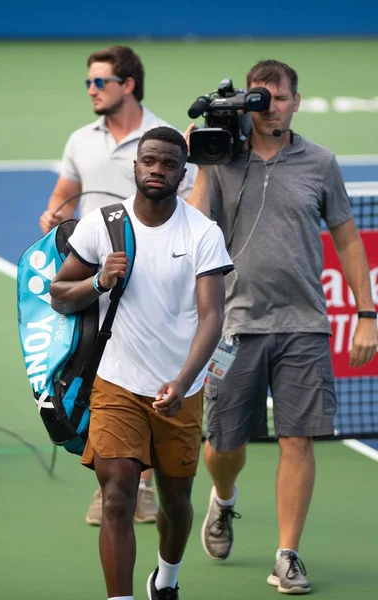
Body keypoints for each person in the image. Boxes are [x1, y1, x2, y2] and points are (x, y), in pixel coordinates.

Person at [187, 59, 378, 594]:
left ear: (296, 102)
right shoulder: (221, 159)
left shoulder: (320, 163)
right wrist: (204, 159)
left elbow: (346, 240)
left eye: (277, 97)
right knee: (222, 443)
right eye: (258, 97)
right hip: (231, 328)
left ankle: (287, 554)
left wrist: (367, 314)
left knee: (299, 439)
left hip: (303, 327)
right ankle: (223, 501)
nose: (268, 106)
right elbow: (193, 229)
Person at [49, 126, 233, 600]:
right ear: (136, 167)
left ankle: (165, 580)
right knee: (117, 497)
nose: (157, 170)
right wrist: (98, 283)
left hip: (180, 389)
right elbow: (59, 296)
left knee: (176, 503)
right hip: (115, 383)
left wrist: (183, 381)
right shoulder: (102, 225)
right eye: (149, 161)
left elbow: (212, 318)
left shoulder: (202, 233)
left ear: (182, 172)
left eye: (168, 164)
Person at [40, 44, 197, 526]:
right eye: (89, 82)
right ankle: (116, 475)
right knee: (95, 372)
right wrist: (55, 215)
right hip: (97, 278)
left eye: (99, 82)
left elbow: (189, 211)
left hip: (155, 286)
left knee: (147, 377)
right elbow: (64, 196)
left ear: (127, 85)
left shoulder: (164, 143)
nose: (91, 89)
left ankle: (142, 485)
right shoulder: (79, 140)